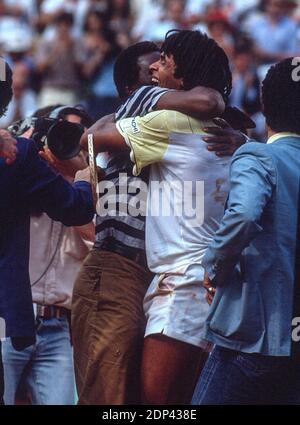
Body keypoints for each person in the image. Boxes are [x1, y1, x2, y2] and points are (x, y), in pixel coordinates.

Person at [72, 38, 229, 405]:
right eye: (152, 65)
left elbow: (209, 103)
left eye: (165, 60)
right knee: (112, 398)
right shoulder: (150, 107)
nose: (157, 67)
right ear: (132, 88)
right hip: (122, 268)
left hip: (172, 277)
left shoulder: (188, 122)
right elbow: (87, 140)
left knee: (147, 402)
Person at [192, 57, 300, 405]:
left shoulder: (257, 156)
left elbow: (244, 215)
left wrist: (214, 266)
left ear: (264, 106)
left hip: (257, 335)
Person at [0, 61, 94, 405]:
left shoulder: (79, 184)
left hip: (56, 328)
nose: (69, 144)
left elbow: (97, 234)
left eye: (79, 138)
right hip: (8, 319)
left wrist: (74, 176)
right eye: (60, 133)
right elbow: (75, 206)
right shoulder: (18, 159)